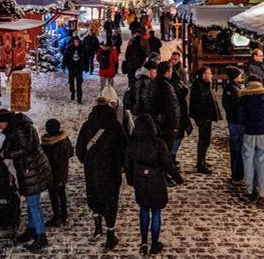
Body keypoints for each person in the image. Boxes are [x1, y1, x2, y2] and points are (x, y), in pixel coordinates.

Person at [0, 109, 53, 252]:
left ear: (6, 121)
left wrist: (6, 154)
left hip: (32, 169)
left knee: (33, 204)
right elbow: (12, 143)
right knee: (31, 202)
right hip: (30, 168)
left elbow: (26, 149)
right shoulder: (17, 127)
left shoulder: (20, 129)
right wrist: (3, 152)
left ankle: (41, 237)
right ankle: (32, 229)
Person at [125, 114, 184, 256]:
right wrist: (178, 178)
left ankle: (144, 242)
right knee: (156, 212)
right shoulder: (159, 144)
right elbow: (168, 165)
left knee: (144, 210)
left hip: (141, 182)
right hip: (156, 181)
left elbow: (128, 165)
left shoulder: (133, 144)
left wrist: (130, 180)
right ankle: (155, 242)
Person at [76, 98, 127, 251]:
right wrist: (122, 166)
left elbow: (79, 150)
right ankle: (110, 235)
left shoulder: (87, 125)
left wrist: (88, 161)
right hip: (111, 170)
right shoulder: (116, 126)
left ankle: (97, 228)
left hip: (92, 170)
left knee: (94, 196)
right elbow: (125, 148)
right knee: (111, 200)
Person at [238, 75, 264, 200]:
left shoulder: (244, 98)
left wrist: (246, 124)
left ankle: (248, 187)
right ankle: (262, 189)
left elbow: (240, 117)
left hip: (249, 132)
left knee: (247, 159)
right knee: (263, 160)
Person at [41, 118, 75, 227]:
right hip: (63, 171)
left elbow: (44, 159)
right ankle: (64, 215)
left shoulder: (47, 144)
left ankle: (57, 217)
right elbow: (71, 153)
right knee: (62, 193)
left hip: (52, 173)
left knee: (53, 195)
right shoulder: (64, 139)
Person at [189, 66, 222, 174]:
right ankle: (200, 164)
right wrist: (204, 116)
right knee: (203, 141)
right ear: (203, 75)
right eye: (209, 73)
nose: (211, 75)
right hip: (203, 117)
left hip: (206, 117)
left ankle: (202, 161)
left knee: (205, 141)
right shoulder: (199, 86)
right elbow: (201, 104)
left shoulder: (205, 84)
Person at [150, 61, 180, 155]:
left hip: (157, 121)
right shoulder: (167, 86)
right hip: (166, 123)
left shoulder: (154, 82)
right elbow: (172, 106)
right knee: (166, 151)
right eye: (171, 71)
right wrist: (175, 125)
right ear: (167, 72)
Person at [222, 66, 245, 183]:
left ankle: (237, 173)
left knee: (236, 147)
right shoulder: (234, 90)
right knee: (237, 148)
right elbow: (239, 107)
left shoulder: (230, 87)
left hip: (233, 120)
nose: (241, 76)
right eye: (239, 74)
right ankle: (237, 174)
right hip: (237, 122)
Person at [168, 53, 191, 164]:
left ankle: (173, 155)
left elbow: (186, 86)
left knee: (179, 134)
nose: (173, 61)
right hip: (173, 104)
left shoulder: (182, 71)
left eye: (175, 59)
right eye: (172, 59)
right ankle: (171, 156)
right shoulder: (167, 68)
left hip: (179, 101)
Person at [63, 37, 88, 103]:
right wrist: (64, 65)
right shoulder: (69, 48)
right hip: (71, 68)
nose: (76, 43)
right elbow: (65, 57)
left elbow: (86, 58)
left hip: (79, 68)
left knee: (79, 84)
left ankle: (79, 98)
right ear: (73, 42)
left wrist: (86, 67)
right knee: (71, 83)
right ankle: (72, 92)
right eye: (75, 41)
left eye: (77, 41)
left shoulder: (82, 48)